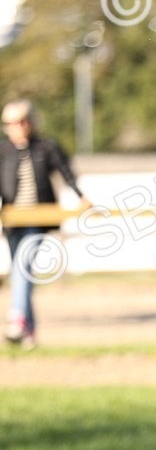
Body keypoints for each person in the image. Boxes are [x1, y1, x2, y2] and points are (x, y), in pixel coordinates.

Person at [0, 99, 86, 347]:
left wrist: (81, 196)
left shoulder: (46, 147)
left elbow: (66, 172)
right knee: (21, 270)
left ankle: (17, 318)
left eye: (21, 121)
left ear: (31, 122)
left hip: (37, 218)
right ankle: (29, 333)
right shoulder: (4, 151)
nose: (17, 126)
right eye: (11, 123)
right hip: (12, 220)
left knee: (22, 266)